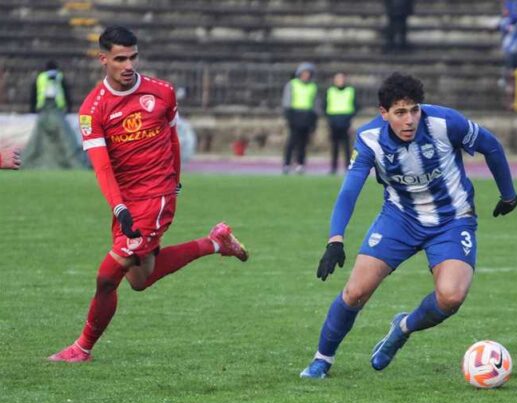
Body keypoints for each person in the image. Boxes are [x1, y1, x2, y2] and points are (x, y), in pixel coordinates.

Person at [48, 26, 249, 363]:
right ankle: (216, 242)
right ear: (104, 60)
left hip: (156, 198)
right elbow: (102, 168)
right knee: (139, 280)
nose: (129, 65)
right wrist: (119, 209)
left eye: (133, 57)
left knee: (106, 278)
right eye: (120, 59)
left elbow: (172, 140)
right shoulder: (92, 109)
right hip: (126, 202)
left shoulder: (162, 93)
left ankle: (81, 348)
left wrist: (176, 182)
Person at [300, 73, 517, 379]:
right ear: (384, 113)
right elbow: (349, 190)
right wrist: (335, 239)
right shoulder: (369, 139)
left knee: (451, 297)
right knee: (355, 292)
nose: (409, 119)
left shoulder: (445, 123)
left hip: (452, 220)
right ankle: (322, 360)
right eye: (400, 112)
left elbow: (491, 146)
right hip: (399, 219)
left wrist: (508, 194)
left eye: (414, 110)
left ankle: (403, 327)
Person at [22, 60, 82, 168]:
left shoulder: (40, 77)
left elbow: (34, 93)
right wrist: (68, 108)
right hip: (56, 109)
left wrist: (32, 110)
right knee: (65, 136)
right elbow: (66, 93)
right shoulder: (59, 77)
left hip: (44, 109)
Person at [281, 62, 318, 174]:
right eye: (304, 73)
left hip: (307, 115)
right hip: (295, 114)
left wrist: (314, 118)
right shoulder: (292, 84)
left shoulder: (313, 86)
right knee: (292, 141)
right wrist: (288, 116)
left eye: (308, 73)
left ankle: (300, 164)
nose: (306, 75)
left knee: (303, 142)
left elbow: (316, 103)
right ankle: (287, 163)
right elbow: (287, 101)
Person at [323, 72, 359, 174]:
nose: (340, 81)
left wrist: (351, 118)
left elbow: (356, 105)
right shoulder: (330, 91)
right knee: (335, 146)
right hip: (333, 121)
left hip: (346, 121)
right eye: (338, 79)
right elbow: (324, 105)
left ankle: (348, 167)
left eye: (342, 79)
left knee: (347, 146)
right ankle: (333, 167)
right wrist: (329, 119)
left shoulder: (350, 91)